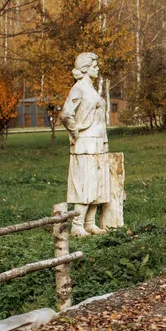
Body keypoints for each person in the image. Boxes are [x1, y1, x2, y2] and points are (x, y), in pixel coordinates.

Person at [61, 52, 110, 236]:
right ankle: (77, 225)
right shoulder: (79, 88)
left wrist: (104, 141)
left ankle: (90, 222)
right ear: (84, 68)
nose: (97, 68)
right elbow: (66, 114)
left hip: (98, 141)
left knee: (97, 183)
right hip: (85, 143)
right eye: (93, 65)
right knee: (85, 183)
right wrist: (76, 132)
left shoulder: (92, 90)